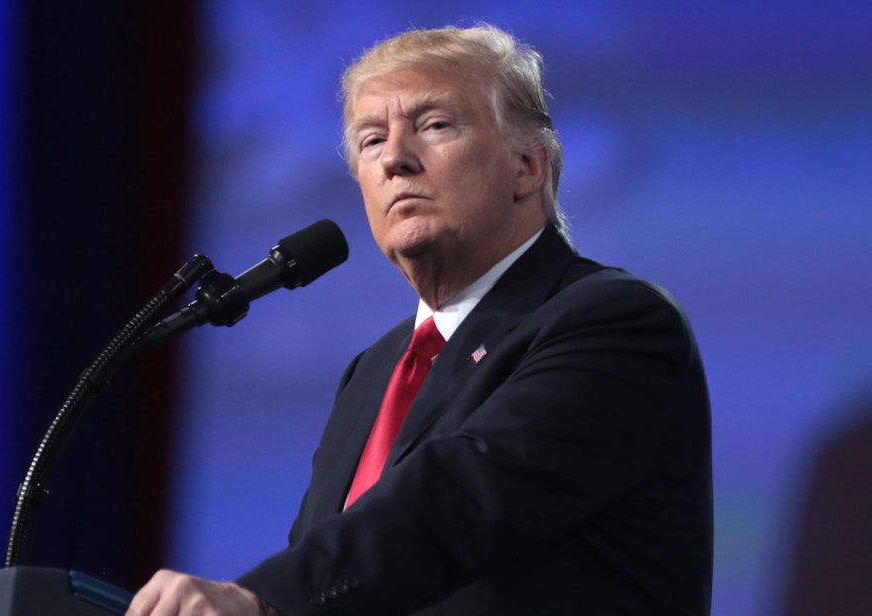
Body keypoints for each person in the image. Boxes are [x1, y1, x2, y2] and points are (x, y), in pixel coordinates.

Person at [128, 23, 712, 615]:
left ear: (527, 167)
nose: (395, 160)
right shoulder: (373, 373)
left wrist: (262, 598)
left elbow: (460, 495)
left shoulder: (613, 322)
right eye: (371, 139)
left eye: (435, 126)